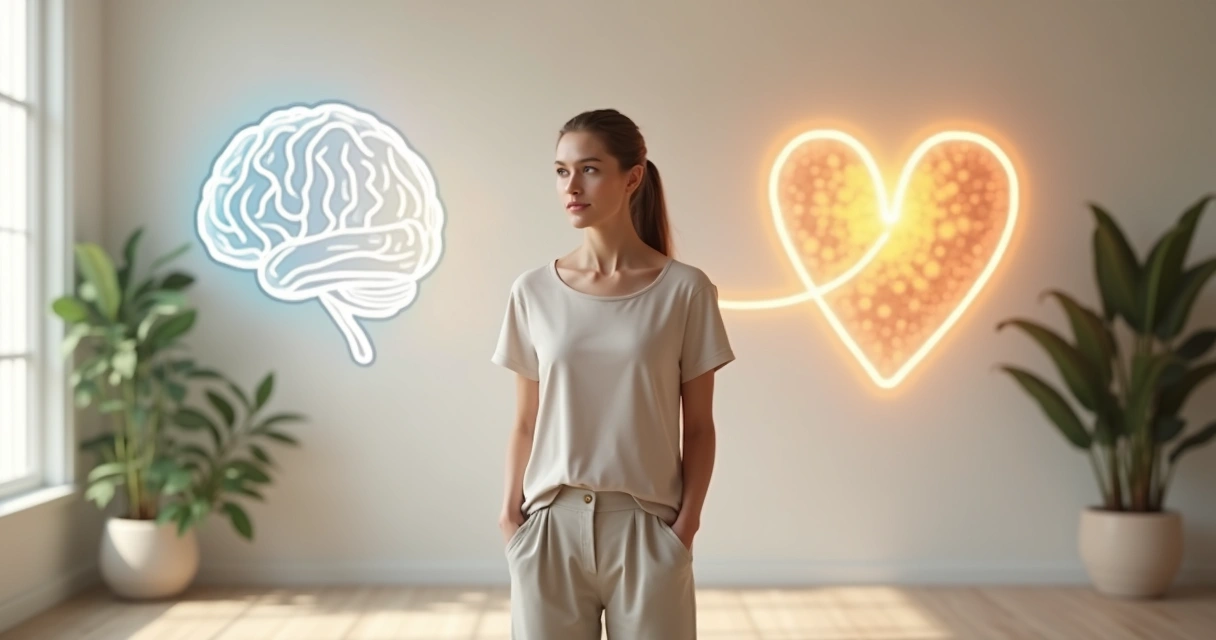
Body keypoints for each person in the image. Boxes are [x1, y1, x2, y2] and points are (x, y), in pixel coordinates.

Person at [491, 108, 736, 639]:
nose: (571, 186)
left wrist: (684, 528)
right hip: (548, 529)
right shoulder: (532, 291)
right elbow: (525, 422)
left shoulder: (686, 291)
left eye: (590, 169)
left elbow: (699, 427)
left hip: (647, 529)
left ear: (633, 176)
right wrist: (512, 524)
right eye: (561, 171)